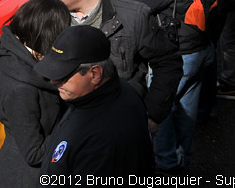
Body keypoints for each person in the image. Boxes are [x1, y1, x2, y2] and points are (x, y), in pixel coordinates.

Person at [119, 0, 213, 173]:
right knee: (186, 117)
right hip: (199, 49)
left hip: (176, 54)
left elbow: (136, 7)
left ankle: (166, 169)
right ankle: (183, 163)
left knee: (162, 113)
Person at [47, 0, 182, 130]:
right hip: (68, 122)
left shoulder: (133, 16)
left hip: (119, 121)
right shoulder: (50, 14)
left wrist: (153, 114)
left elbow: (167, 63)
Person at [36, 25, 155, 176]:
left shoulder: (104, 142)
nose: (53, 81)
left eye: (63, 75)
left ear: (95, 74)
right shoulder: (91, 97)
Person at [0, 0, 70, 187]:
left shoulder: (17, 54)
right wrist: (71, 131)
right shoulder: (22, 89)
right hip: (26, 178)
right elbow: (34, 153)